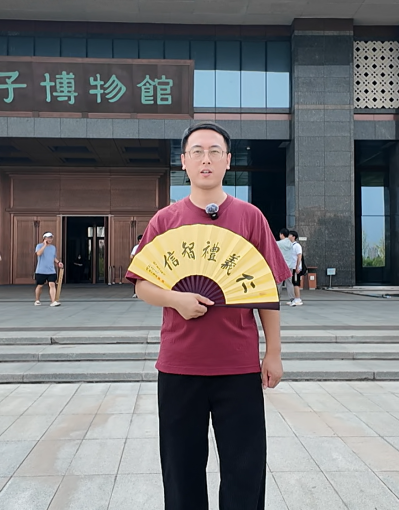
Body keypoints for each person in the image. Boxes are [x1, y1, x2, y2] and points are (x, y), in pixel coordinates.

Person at [127, 122, 290, 509]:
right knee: (181, 469)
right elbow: (141, 285)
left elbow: (267, 293)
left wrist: (273, 353)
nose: (206, 160)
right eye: (197, 152)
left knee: (245, 468)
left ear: (228, 161)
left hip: (238, 366)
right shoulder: (165, 220)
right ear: (183, 162)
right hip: (179, 366)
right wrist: (176, 300)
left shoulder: (250, 217)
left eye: (215, 151)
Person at [35, 232, 63, 307]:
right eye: (48, 238)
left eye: (51, 238)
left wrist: (58, 262)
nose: (49, 239)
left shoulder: (53, 248)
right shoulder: (39, 246)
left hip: (51, 270)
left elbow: (53, 257)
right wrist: (44, 245)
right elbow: (38, 253)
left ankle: (53, 301)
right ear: (44, 238)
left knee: (52, 284)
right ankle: (37, 300)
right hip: (41, 270)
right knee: (40, 286)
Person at [276, 229, 295, 301]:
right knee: (289, 283)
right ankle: (292, 298)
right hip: (290, 265)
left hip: (282, 265)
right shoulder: (290, 243)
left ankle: (278, 299)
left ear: (282, 234)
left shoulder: (279, 243)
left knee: (279, 283)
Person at [288, 230, 304, 306]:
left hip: (295, 267)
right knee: (292, 283)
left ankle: (298, 299)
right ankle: (295, 298)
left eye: (289, 235)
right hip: (292, 267)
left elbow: (299, 256)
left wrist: (297, 267)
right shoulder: (291, 245)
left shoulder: (297, 246)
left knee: (296, 283)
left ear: (293, 237)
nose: (288, 237)